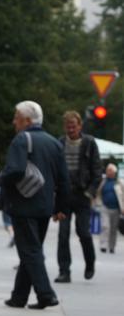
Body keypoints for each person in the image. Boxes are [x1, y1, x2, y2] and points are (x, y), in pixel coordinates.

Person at [0, 101, 70, 310]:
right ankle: (19, 296)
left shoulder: (22, 140)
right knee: (31, 250)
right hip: (44, 207)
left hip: (23, 204)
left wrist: (0, 178)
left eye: (16, 117)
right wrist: (61, 208)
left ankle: (46, 294)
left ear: (27, 120)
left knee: (30, 251)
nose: (14, 122)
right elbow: (64, 179)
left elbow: (16, 171)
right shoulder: (54, 143)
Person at [54, 110, 102, 283]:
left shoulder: (89, 143)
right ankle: (64, 271)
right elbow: (54, 169)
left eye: (73, 126)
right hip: (65, 195)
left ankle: (90, 262)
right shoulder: (59, 143)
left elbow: (97, 171)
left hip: (82, 194)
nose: (71, 129)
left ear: (80, 126)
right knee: (63, 234)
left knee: (83, 232)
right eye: (68, 126)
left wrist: (90, 191)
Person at [97, 163, 123, 254]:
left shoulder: (119, 182)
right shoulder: (103, 181)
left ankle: (112, 246)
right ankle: (103, 245)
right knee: (105, 226)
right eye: (108, 170)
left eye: (110, 170)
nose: (109, 172)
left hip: (116, 209)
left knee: (113, 229)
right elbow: (98, 192)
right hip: (105, 207)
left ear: (114, 172)